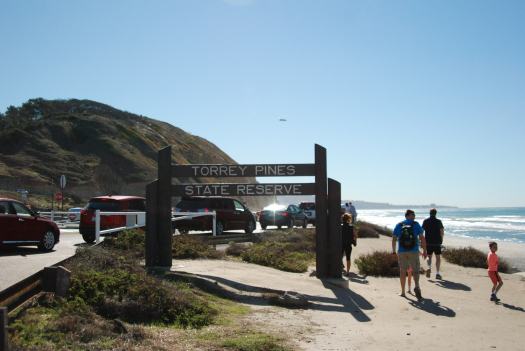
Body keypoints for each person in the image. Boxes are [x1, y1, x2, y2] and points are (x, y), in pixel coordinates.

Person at [392, 209, 427, 300]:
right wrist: (425, 250)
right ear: (407, 216)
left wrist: (393, 251)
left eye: (414, 215)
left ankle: (403, 292)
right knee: (415, 270)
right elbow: (422, 238)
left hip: (402, 251)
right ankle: (417, 286)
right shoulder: (416, 224)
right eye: (413, 215)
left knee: (402, 271)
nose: (414, 216)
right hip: (414, 251)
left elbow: (394, 238)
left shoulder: (399, 225)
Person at [422, 208, 445, 280]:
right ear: (436, 213)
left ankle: (429, 268)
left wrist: (422, 241)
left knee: (429, 257)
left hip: (428, 242)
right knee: (438, 258)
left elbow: (422, 231)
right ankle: (437, 273)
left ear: (430, 213)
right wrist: (441, 239)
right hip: (437, 242)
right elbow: (442, 232)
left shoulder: (426, 221)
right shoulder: (439, 221)